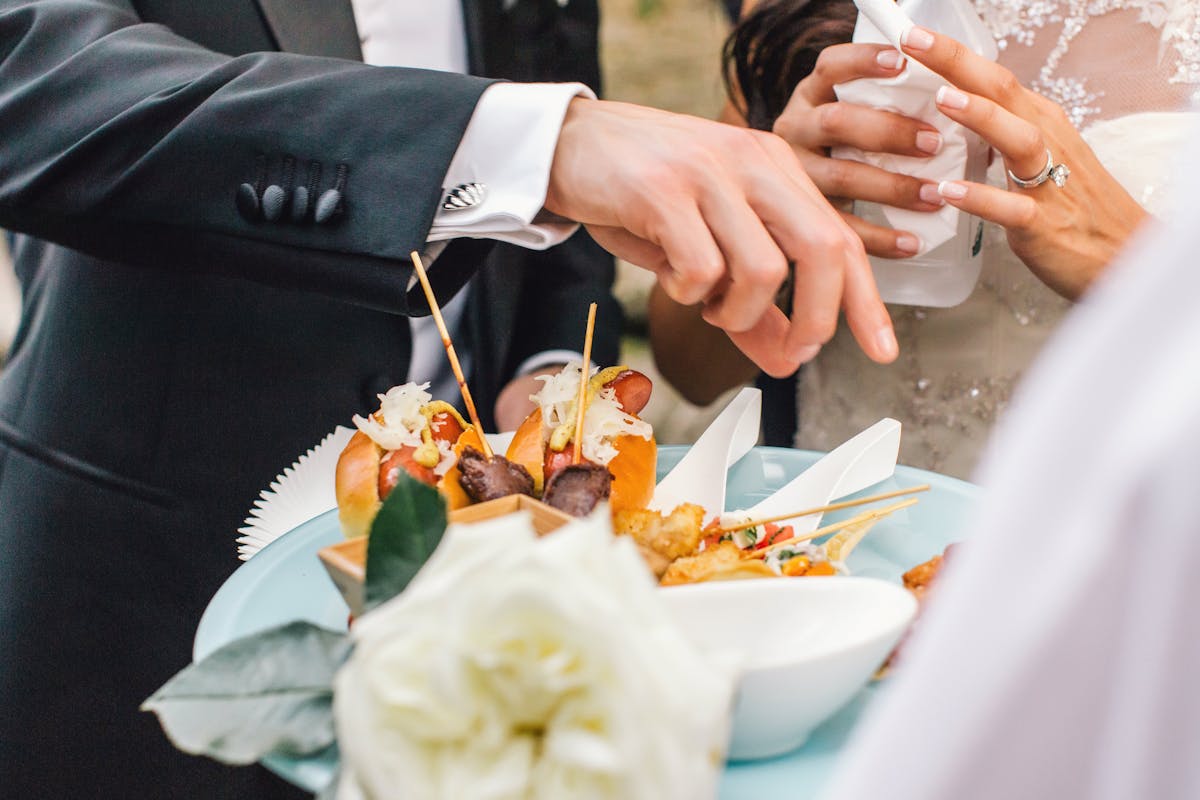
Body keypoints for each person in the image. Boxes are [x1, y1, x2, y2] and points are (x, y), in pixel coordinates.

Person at [0, 1, 896, 797]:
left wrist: (548, 364)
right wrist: (538, 144)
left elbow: (566, 178)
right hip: (151, 578)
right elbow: (31, 73)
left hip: (520, 617)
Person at [819, 117, 1200, 800]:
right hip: (816, 597)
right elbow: (689, 366)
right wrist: (767, 213)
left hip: (1101, 640)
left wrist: (1149, 284)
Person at [650, 0, 1199, 474]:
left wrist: (1135, 271)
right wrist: (768, 223)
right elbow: (688, 370)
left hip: (1102, 553)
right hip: (846, 540)